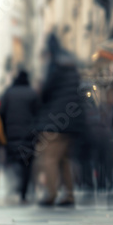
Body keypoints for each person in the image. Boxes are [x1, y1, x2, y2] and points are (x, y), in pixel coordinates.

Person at [34, 33, 85, 207]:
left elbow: (47, 90)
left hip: (54, 120)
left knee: (48, 158)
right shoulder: (72, 67)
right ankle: (69, 194)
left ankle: (51, 193)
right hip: (72, 121)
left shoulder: (54, 64)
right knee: (64, 158)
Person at [0, 70, 39, 203]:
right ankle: (23, 193)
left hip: (11, 134)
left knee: (11, 162)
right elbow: (38, 114)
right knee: (26, 164)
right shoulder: (32, 93)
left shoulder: (8, 93)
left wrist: (5, 130)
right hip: (29, 135)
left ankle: (12, 189)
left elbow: (1, 112)